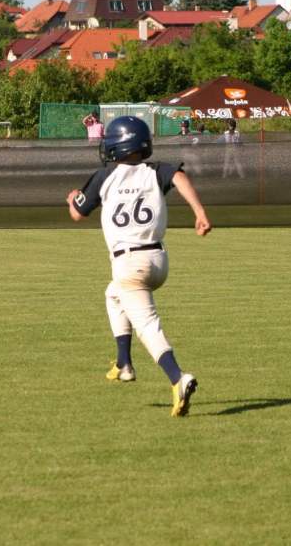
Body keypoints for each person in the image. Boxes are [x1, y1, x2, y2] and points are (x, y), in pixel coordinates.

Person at [66, 116, 211, 418]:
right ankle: (124, 364)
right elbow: (180, 177)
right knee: (112, 295)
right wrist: (199, 212)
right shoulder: (155, 171)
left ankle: (178, 378)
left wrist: (71, 200)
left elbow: (78, 214)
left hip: (129, 263)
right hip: (158, 260)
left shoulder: (105, 176)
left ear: (116, 145)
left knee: (147, 325)